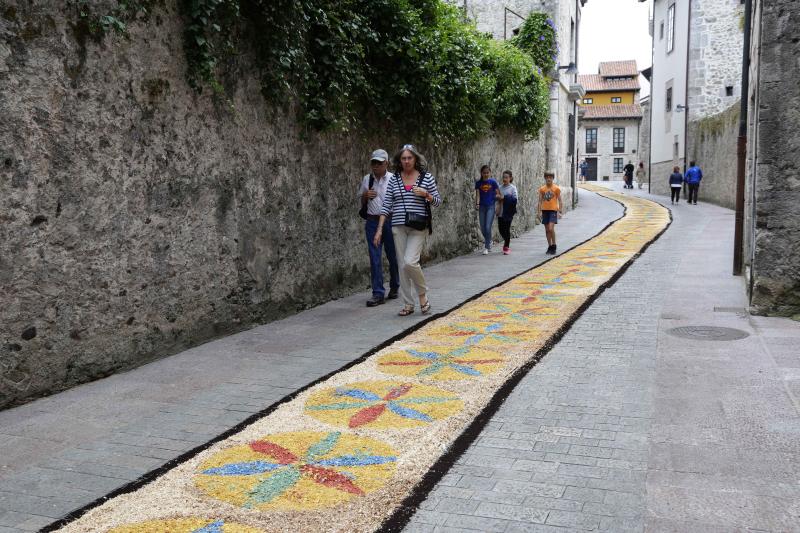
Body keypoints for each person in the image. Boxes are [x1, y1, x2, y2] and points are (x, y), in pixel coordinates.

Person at [374, 145, 442, 316]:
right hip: (397, 226)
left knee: (410, 261)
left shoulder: (426, 178)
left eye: (409, 158)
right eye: (403, 158)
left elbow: (438, 201)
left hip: (418, 226)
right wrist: (380, 229)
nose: (406, 161)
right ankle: (408, 304)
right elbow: (386, 204)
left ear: (416, 159)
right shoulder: (395, 179)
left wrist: (426, 194)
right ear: (399, 161)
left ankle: (422, 295)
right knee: (402, 265)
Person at [358, 149, 399, 307]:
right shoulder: (367, 179)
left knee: (393, 257)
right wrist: (365, 196)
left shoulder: (394, 179)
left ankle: (395, 285)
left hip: (390, 220)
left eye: (379, 163)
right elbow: (362, 203)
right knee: (374, 258)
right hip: (372, 222)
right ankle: (378, 293)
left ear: (386, 163)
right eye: (373, 163)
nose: (375, 166)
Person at [475, 165, 502, 255]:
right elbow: (478, 195)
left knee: (487, 227)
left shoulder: (493, 182)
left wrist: (495, 197)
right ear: (481, 173)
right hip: (482, 207)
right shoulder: (478, 183)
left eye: (487, 172)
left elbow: (499, 194)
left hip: (490, 206)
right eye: (484, 173)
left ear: (490, 173)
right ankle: (489, 240)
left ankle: (486, 247)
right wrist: (477, 204)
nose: (486, 174)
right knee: (483, 228)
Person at [538, 171, 563, 255]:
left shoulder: (556, 188)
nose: (549, 179)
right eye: (547, 177)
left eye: (550, 177)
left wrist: (560, 211)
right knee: (546, 230)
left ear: (553, 178)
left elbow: (559, 200)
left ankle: (554, 244)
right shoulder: (542, 189)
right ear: (545, 178)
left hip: (553, 210)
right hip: (545, 210)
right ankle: (550, 246)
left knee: (550, 228)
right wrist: (539, 212)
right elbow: (540, 201)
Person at [496, 170, 518, 255]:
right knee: (501, 229)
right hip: (501, 212)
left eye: (506, 177)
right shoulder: (500, 187)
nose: (504, 179)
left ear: (510, 178)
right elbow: (497, 198)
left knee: (506, 229)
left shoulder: (513, 188)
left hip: (508, 212)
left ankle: (506, 246)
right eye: (503, 177)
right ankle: (507, 240)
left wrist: (504, 197)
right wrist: (498, 199)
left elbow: (515, 200)